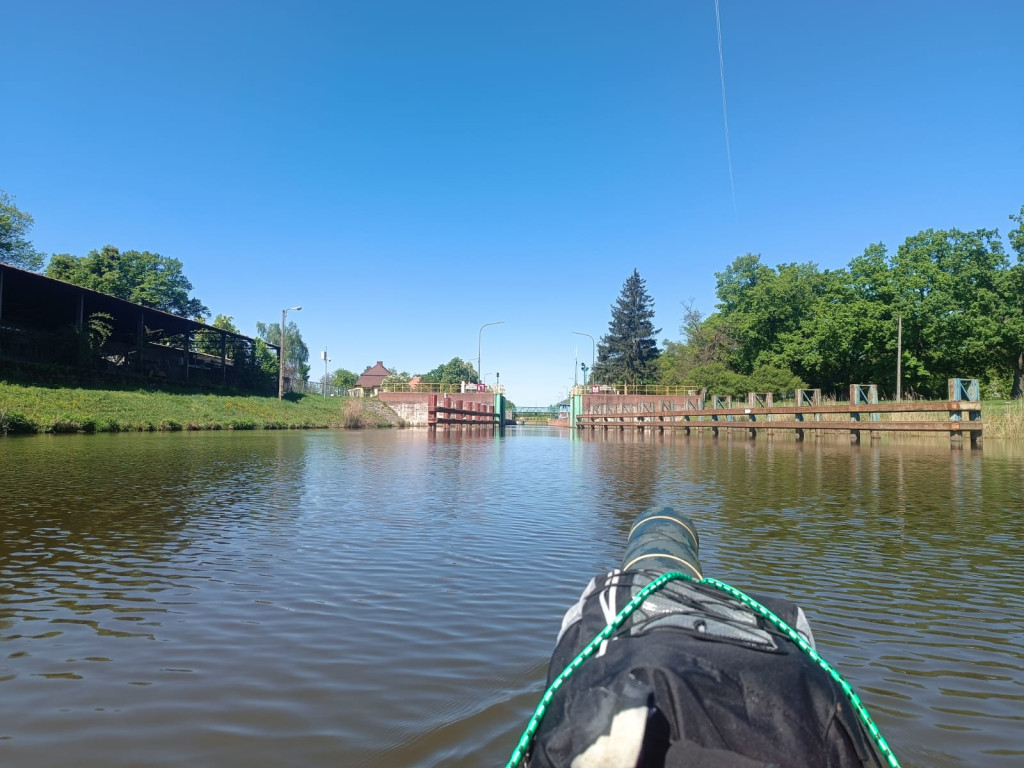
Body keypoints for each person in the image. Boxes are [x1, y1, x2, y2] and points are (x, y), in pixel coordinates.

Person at [526, 507, 891, 768]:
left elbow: (564, 666)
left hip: (641, 689)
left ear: (633, 556)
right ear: (693, 562)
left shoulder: (604, 595)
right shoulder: (784, 615)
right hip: (788, 705)